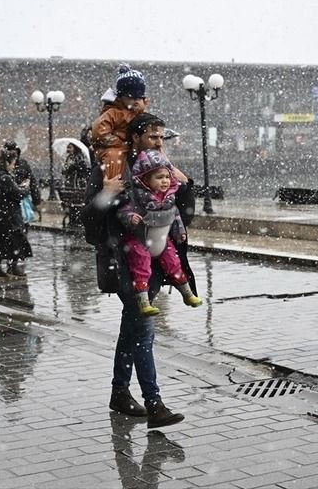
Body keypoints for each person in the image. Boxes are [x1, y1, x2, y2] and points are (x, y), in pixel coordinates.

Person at [82, 112, 195, 429]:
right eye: (153, 138)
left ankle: (119, 392)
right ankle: (154, 404)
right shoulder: (111, 168)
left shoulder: (163, 170)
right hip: (125, 264)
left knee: (131, 328)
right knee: (143, 329)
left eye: (162, 138)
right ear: (135, 138)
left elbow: (185, 210)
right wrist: (108, 193)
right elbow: (88, 219)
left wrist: (183, 182)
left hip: (157, 265)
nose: (159, 143)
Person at [118, 149, 200, 315]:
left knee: (173, 263)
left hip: (162, 240)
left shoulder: (170, 198)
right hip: (141, 240)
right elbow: (124, 212)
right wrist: (131, 217)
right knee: (141, 267)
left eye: (167, 177)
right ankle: (144, 301)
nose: (164, 181)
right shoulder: (138, 198)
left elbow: (175, 216)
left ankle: (187, 293)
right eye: (159, 177)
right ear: (145, 180)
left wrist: (180, 233)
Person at [92, 65, 149, 179]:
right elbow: (99, 132)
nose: (135, 101)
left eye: (139, 98)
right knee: (114, 156)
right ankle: (114, 181)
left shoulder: (138, 113)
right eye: (131, 97)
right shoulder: (113, 113)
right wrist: (121, 143)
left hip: (132, 147)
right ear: (121, 97)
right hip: (113, 147)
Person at [0, 150, 33, 278]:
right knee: (15, 240)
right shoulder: (4, 177)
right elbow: (17, 194)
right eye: (12, 163)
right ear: (6, 162)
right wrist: (26, 187)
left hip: (1, 215)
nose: (13, 166)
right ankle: (12, 267)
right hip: (10, 215)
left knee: (1, 242)